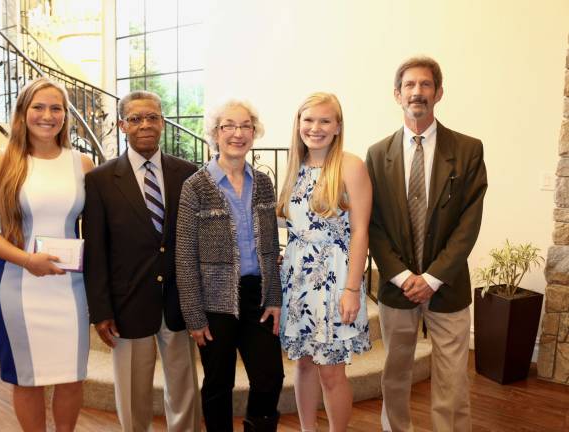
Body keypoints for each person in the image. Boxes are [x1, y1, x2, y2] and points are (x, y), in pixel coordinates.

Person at [366, 56, 488, 432]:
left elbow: (469, 222)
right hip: (396, 287)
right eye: (410, 85)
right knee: (395, 374)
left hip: (448, 287)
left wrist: (433, 277)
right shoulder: (376, 154)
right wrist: (403, 276)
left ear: (439, 92)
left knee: (453, 381)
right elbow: (373, 225)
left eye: (425, 85)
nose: (417, 92)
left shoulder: (468, 150)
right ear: (397, 94)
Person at [0, 77, 94, 431]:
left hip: (70, 288)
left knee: (72, 376)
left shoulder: (81, 164)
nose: (47, 115)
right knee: (27, 377)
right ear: (22, 113)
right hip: (17, 285)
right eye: (38, 107)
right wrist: (28, 260)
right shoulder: (0, 162)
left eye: (56, 108)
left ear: (65, 116)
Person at [83, 90, 200, 432]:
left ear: (162, 122)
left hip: (178, 303)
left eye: (152, 117)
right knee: (133, 393)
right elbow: (96, 251)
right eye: (135, 119)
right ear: (122, 125)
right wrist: (101, 310)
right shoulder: (100, 181)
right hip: (127, 302)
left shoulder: (188, 174)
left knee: (184, 388)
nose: (145, 125)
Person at [176, 100, 284, 432]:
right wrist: (194, 315)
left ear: (254, 132)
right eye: (229, 126)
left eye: (245, 126)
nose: (238, 134)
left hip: (257, 295)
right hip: (214, 300)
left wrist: (275, 298)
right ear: (215, 133)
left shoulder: (263, 182)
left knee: (270, 377)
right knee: (218, 381)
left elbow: (269, 248)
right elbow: (184, 256)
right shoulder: (195, 186)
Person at [277, 92, 372, 432]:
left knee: (331, 371)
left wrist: (352, 289)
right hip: (297, 280)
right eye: (308, 120)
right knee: (303, 365)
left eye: (324, 121)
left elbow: (361, 231)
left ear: (337, 126)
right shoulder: (293, 167)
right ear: (298, 124)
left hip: (334, 279)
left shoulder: (351, 165)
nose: (315, 128)